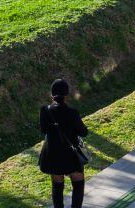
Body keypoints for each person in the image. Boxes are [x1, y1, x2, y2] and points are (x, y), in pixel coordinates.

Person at [38, 78, 89, 208]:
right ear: (67, 95)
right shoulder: (72, 112)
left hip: (52, 153)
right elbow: (83, 132)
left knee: (57, 186)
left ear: (52, 95)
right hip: (71, 154)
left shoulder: (45, 111)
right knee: (78, 183)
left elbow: (43, 130)